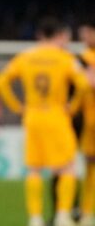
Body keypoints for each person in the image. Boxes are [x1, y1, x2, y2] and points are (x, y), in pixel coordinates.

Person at [0, 18, 89, 226]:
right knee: (68, 168)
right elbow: (83, 84)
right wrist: (72, 106)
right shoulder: (64, 58)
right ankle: (63, 215)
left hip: (32, 116)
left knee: (34, 170)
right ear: (59, 35)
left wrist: (17, 107)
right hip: (56, 115)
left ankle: (35, 218)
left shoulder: (25, 57)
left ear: (40, 35)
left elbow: (0, 82)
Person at [77, 19, 95, 226]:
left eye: (88, 33)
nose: (84, 38)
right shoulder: (81, 58)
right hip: (88, 121)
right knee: (90, 167)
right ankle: (86, 211)